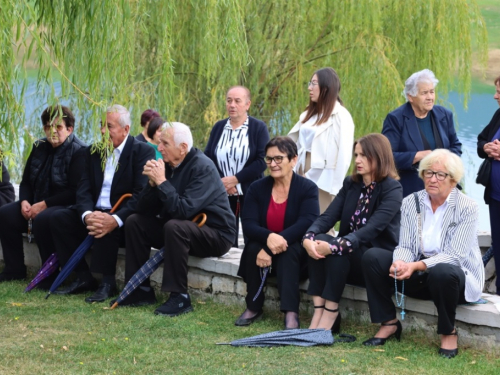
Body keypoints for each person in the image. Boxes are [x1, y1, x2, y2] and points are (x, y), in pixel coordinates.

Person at [362, 149, 484, 359]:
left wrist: (416, 266)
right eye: (428, 172)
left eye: (440, 174)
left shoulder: (467, 207)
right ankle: (389, 322)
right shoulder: (412, 201)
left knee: (443, 271)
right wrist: (400, 262)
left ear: (453, 180)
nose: (432, 179)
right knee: (372, 257)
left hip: (455, 278)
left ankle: (448, 332)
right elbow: (406, 245)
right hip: (419, 274)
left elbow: (455, 256)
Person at [120, 122, 236, 316]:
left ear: (182, 148)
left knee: (175, 227)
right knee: (135, 222)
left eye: (165, 143)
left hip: (216, 233)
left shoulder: (202, 167)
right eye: (159, 142)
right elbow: (143, 208)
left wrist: (162, 182)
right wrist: (151, 184)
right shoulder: (167, 164)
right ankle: (138, 290)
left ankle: (179, 297)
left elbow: (182, 211)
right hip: (183, 228)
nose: (159, 148)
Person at [50, 105, 154, 302]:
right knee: (58, 218)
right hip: (95, 212)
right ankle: (83, 277)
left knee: (106, 224)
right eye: (101, 125)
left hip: (123, 217)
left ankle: (108, 283)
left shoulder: (142, 152)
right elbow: (84, 188)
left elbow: (141, 195)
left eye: (109, 126)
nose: (103, 131)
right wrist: (87, 214)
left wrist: (115, 219)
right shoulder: (94, 152)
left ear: (126, 129)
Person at [302, 133, 402, 333]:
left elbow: (371, 229)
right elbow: (328, 216)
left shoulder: (392, 189)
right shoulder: (351, 184)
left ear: (379, 156)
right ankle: (320, 311)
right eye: (356, 155)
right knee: (321, 240)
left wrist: (336, 246)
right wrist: (308, 237)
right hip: (348, 254)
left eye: (364, 155)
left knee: (338, 250)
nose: (357, 160)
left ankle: (331, 313)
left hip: (374, 258)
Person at [236, 136, 319, 329]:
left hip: (296, 248)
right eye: (269, 159)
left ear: (293, 160)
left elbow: (307, 222)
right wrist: (269, 239)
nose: (272, 164)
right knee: (253, 247)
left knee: (288, 251)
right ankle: (254, 306)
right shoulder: (257, 188)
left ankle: (291, 312)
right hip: (264, 242)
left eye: (279, 159)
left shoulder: (308, 188)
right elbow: (248, 224)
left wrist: (275, 245)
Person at [0, 105, 86, 286]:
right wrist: (24, 201)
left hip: (63, 207)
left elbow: (74, 192)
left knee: (44, 219)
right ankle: (14, 269)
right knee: (6, 214)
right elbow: (26, 182)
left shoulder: (79, 151)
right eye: (48, 126)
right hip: (36, 203)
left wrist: (44, 205)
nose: (52, 131)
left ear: (69, 129)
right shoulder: (39, 146)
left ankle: (50, 273)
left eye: (58, 127)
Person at [205, 86, 269, 247]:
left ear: (247, 104)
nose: (232, 105)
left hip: (250, 191)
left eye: (237, 101)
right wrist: (222, 182)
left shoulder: (257, 128)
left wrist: (235, 179)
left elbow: (262, 160)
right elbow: (208, 158)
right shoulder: (219, 127)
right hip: (222, 192)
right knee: (225, 238)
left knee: (252, 238)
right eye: (229, 101)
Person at [382, 69, 462, 197]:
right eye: (424, 93)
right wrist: (417, 156)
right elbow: (386, 157)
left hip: (444, 190)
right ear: (410, 96)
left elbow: (456, 146)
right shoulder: (396, 119)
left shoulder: (444, 115)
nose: (430, 97)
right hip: (411, 191)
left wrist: (447, 162)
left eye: (432, 92)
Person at [288, 67, 355, 215]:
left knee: (321, 219)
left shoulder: (341, 116)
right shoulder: (309, 113)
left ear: (326, 87)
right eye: (310, 83)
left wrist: (336, 185)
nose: (309, 88)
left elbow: (344, 154)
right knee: (299, 216)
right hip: (300, 167)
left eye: (313, 83)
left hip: (324, 175)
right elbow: (294, 141)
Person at [477, 74, 500, 296]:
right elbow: (481, 140)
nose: (495, 96)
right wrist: (487, 148)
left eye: (499, 92)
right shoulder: (498, 114)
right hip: (495, 196)